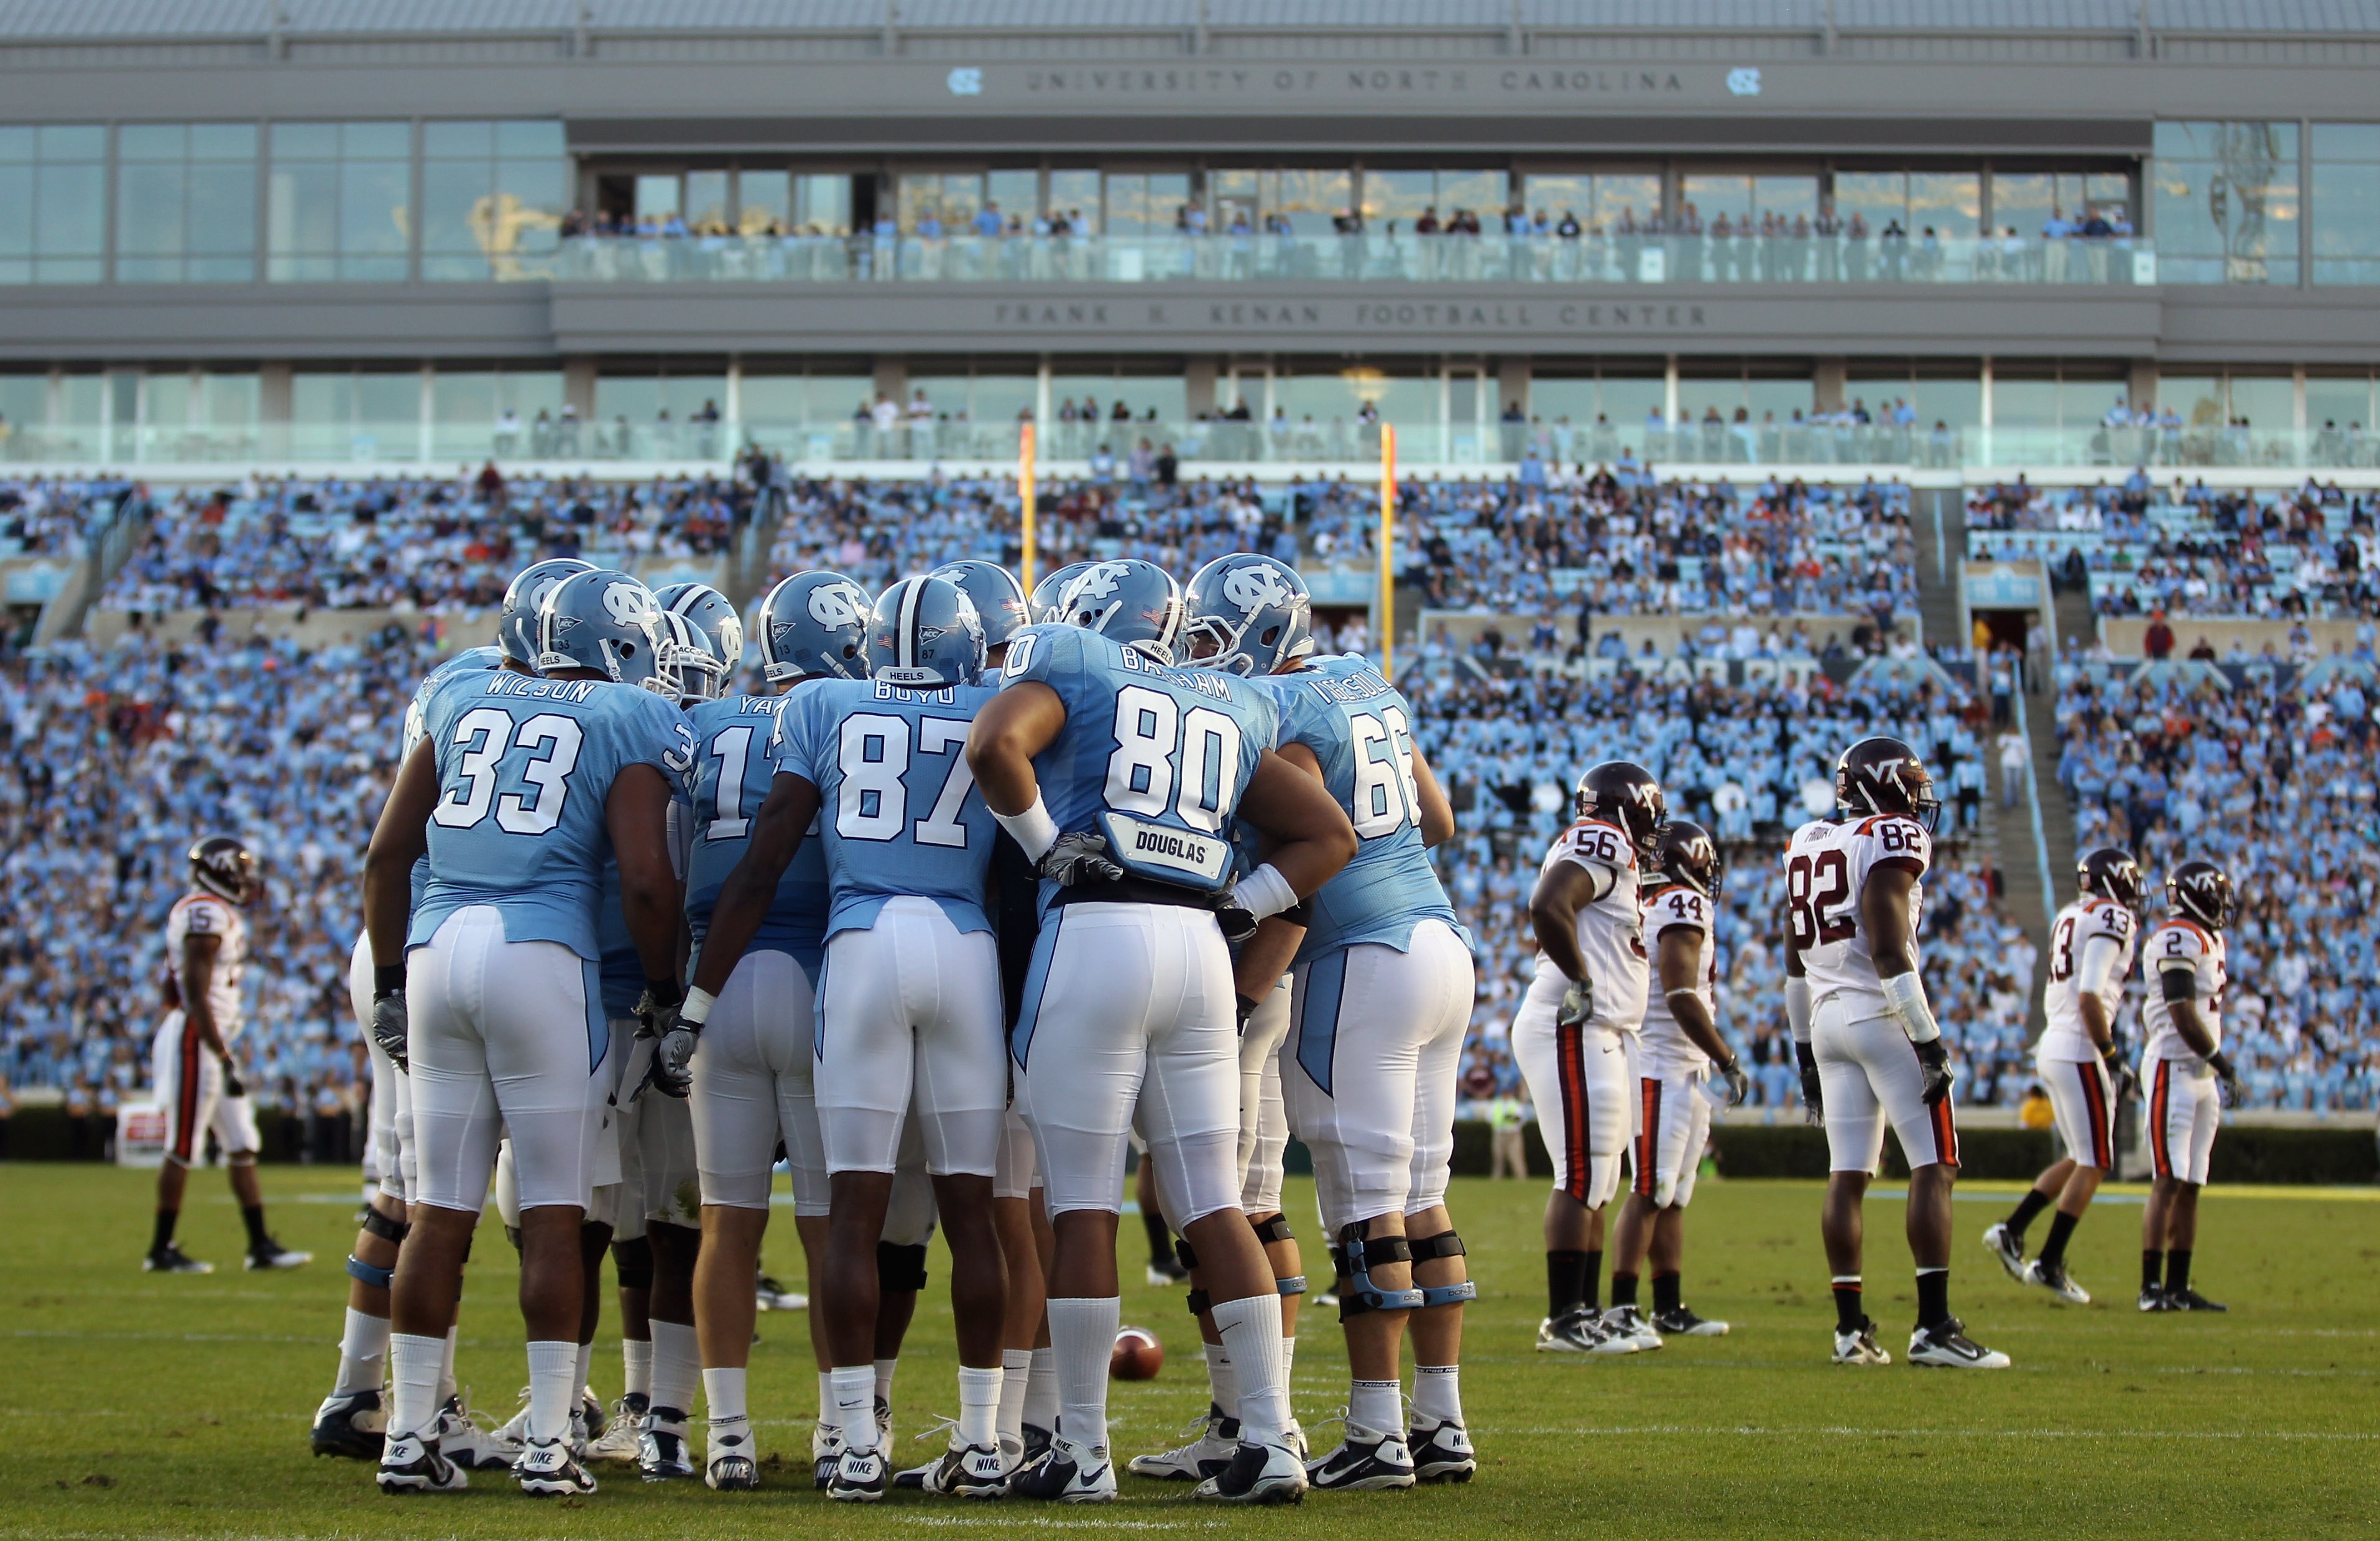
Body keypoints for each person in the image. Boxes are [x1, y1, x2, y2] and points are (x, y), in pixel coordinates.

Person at [962, 558, 1358, 1504]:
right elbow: (1328, 836)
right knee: (1215, 1199)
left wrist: (1046, 846)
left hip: (1095, 933)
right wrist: (1237, 903)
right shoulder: (1228, 699)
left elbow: (993, 748)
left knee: (1086, 1203)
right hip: (1196, 948)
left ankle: (1084, 1450)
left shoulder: (1076, 661)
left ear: (1090, 617)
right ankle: (1270, 1436)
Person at [364, 567, 694, 1497]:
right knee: (555, 1207)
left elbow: (391, 851)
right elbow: (643, 880)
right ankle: (551, 1439)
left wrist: (390, 979)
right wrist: (667, 989)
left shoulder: (463, 686)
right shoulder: (626, 714)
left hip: (437, 949)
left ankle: (410, 1435)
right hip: (540, 952)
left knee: (440, 1208)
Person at [684, 576, 1012, 1502]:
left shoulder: (825, 701)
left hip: (862, 944)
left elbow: (764, 861)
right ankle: (983, 1441)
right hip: (962, 944)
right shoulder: (995, 700)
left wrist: (699, 1005)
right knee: (971, 1211)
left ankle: (857, 1441)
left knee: (852, 1216)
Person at [1224, 552, 1479, 1491]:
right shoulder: (1366, 681)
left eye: (1217, 641)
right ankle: (1440, 1420)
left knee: (1365, 1203)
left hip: (1361, 957)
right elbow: (1440, 817)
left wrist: (1242, 903)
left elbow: (1311, 840)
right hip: (1441, 941)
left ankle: (1377, 1430)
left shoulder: (1282, 713)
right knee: (1421, 1190)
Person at [675, 570, 869, 1490]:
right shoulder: (841, 714)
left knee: (727, 1223)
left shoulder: (708, 723)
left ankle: (729, 1436)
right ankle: (839, 1429)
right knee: (830, 1228)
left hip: (719, 975)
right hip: (819, 973)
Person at [313, 645, 510, 1469]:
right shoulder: (500, 688)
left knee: (400, 1186)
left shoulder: (454, 683)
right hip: (431, 933)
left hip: (395, 939)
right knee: (436, 1196)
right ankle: (414, 1408)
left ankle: (360, 1390)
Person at [584, 582, 743, 1479]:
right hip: (682, 998)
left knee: (630, 1217)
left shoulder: (620, 729)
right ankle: (665, 1414)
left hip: (628, 997)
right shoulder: (719, 733)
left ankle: (651, 1407)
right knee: (659, 1217)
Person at [1787, 738, 2007, 1370]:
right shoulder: (1890, 838)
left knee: (1847, 1174)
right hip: (1881, 1016)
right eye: (1912, 791)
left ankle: (1850, 1331)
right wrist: (1929, 1040)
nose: (1919, 805)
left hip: (1827, 1020)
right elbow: (1889, 947)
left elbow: (1792, 964)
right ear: (1886, 788)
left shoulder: (1807, 841)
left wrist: (1804, 1053)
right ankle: (1934, 1327)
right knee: (1935, 1165)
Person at [1511, 761, 1666, 1356]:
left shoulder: (1615, 851)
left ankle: (1588, 1311)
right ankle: (1563, 1318)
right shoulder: (1601, 838)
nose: (1654, 830)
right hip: (1573, 1020)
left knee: (1602, 1177)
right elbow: (1548, 903)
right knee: (1580, 1173)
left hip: (1602, 1026)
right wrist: (1581, 979)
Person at [1605, 820, 1750, 1346]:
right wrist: (1728, 1057)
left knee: (1674, 1193)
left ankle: (1668, 1306)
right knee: (1652, 1189)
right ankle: (1622, 1307)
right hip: (1662, 1063)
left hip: (1681, 1065)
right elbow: (1683, 994)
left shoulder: (1656, 902)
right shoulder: (1682, 903)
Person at [146, 836, 310, 1276]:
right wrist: (218, 1052)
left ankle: (259, 1246)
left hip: (209, 1037)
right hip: (198, 1038)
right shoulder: (205, 912)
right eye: (237, 869)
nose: (245, 878)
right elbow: (193, 993)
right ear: (218, 870)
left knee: (241, 1142)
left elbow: (173, 983)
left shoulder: (214, 912)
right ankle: (161, 1249)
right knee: (184, 1143)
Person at [1985, 849, 2142, 1305]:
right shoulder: (2112, 917)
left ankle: (2013, 1230)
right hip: (2078, 1046)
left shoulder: (2072, 913)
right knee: (2096, 1161)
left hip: (2054, 1042)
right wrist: (2111, 1055)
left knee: (2081, 1156)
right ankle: (2049, 1261)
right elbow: (2091, 993)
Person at [2138, 860, 2241, 1313]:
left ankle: (2178, 1286)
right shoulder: (2177, 935)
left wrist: (2215, 1068)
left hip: (2200, 1077)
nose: (2224, 905)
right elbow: (2181, 1011)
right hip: (2173, 1069)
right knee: (2167, 1179)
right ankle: (2150, 1289)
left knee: (2193, 1180)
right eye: (2217, 895)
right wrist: (2223, 1063)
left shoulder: (2209, 937)